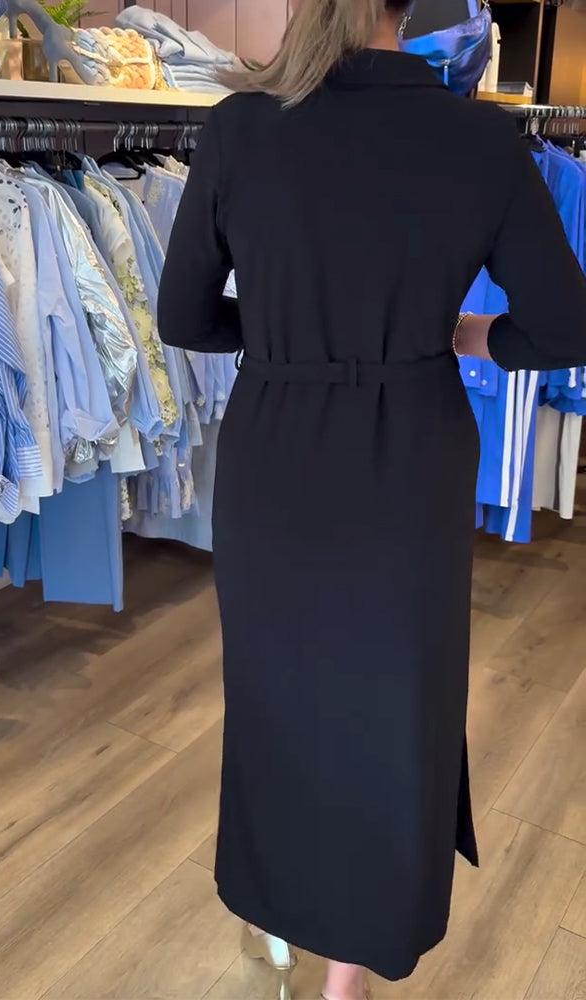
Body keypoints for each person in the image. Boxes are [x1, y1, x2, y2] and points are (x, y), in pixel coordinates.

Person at [157, 1, 586, 999]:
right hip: (410, 456)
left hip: (276, 446)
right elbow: (566, 326)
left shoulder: (239, 129)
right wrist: (470, 335)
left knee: (278, 689)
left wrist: (283, 331)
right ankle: (347, 974)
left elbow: (183, 316)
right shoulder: (479, 140)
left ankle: (275, 912)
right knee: (392, 700)